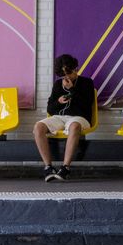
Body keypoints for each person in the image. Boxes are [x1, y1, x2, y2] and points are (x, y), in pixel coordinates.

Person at [33, 53, 96, 182]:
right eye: (63, 75)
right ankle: (48, 167)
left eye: (69, 73)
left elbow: (86, 104)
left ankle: (65, 168)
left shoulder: (87, 82)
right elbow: (50, 109)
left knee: (74, 126)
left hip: (79, 117)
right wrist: (59, 102)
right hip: (59, 118)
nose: (67, 77)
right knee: (38, 127)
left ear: (76, 69)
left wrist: (72, 90)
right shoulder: (58, 85)